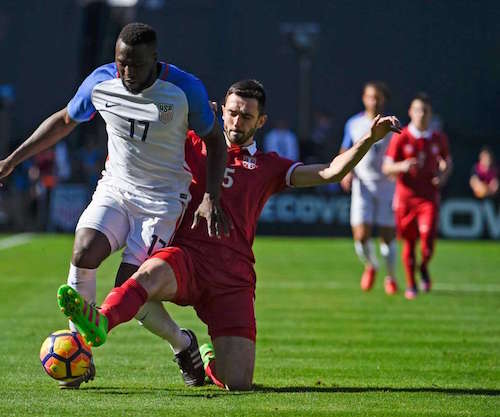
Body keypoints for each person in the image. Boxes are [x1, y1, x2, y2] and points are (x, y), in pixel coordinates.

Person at [57, 80, 401, 390]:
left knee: (237, 384)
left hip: (233, 279)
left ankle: (205, 358)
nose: (237, 122)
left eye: (247, 116)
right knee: (143, 277)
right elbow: (149, 130)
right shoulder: (189, 144)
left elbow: (329, 172)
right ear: (222, 111)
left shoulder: (269, 166)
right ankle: (100, 322)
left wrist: (368, 140)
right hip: (185, 259)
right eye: (233, 113)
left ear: (261, 122)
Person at [0, 23, 229, 387]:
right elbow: (66, 120)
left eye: (135, 64)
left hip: (161, 201)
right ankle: (79, 353)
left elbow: (215, 140)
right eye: (120, 63)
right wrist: (13, 159)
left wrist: (210, 195)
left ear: (154, 60)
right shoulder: (101, 81)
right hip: (116, 187)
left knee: (130, 288)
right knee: (83, 251)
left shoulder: (184, 89)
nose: (127, 72)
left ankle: (183, 344)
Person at [383, 93, 452, 300]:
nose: (421, 114)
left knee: (427, 242)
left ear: (430, 114)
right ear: (410, 112)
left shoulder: (438, 137)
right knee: (409, 243)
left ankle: (424, 266)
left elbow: (448, 162)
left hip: (428, 198)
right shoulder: (401, 136)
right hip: (405, 198)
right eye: (417, 110)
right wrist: (402, 166)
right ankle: (411, 284)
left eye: (425, 111)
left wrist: (443, 174)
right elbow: (386, 167)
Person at [340, 81, 398, 294]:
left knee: (387, 236)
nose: (374, 101)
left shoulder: (392, 123)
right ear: (364, 98)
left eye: (378, 97)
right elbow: (345, 150)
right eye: (370, 96)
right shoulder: (353, 124)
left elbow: (400, 153)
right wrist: (346, 171)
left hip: (387, 185)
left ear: (384, 100)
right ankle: (371, 265)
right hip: (362, 184)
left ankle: (391, 277)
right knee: (361, 236)